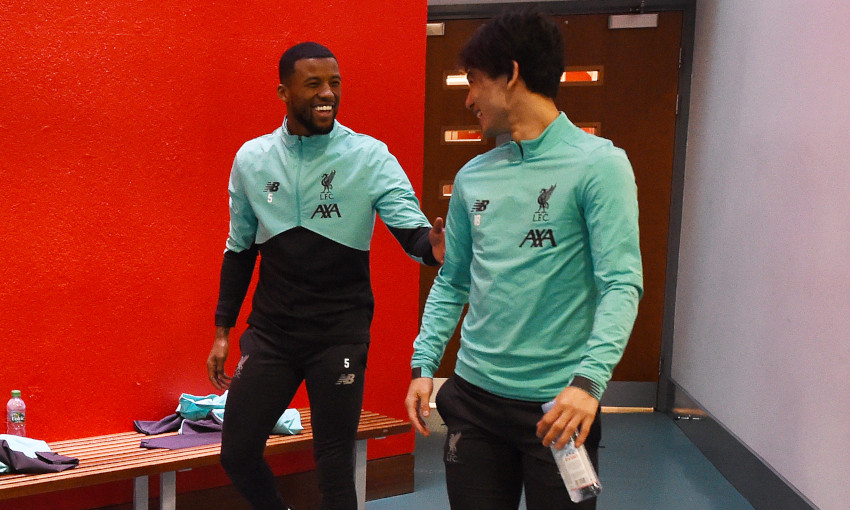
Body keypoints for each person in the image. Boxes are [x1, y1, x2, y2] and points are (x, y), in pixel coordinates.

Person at [404, 10, 643, 510]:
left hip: (558, 408)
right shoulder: (474, 175)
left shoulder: (600, 165)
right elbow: (453, 280)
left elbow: (621, 284)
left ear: (511, 75)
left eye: (474, 81)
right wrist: (424, 364)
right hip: (473, 402)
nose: (468, 99)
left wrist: (589, 382)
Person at [207, 41, 444, 510]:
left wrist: (433, 248)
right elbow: (239, 250)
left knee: (334, 468)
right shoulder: (252, 158)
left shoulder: (369, 156)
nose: (327, 94)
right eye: (313, 84)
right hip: (272, 332)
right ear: (283, 92)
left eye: (334, 83)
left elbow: (413, 233)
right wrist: (222, 331)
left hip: (339, 334)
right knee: (236, 453)